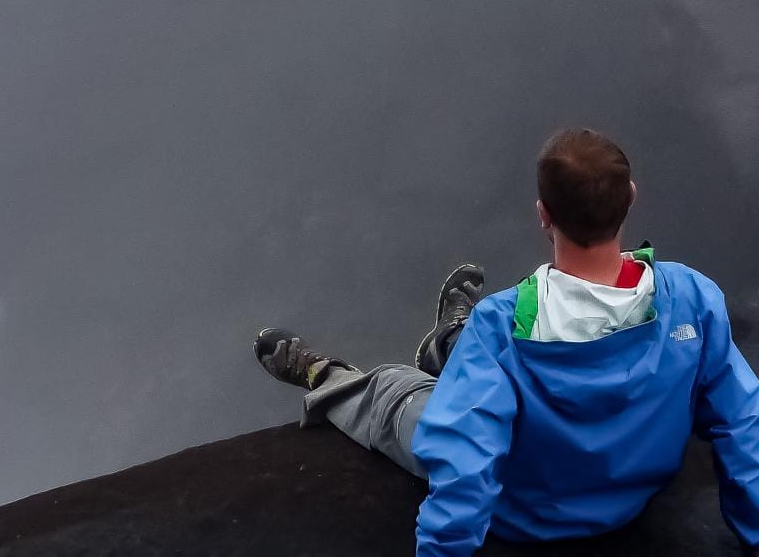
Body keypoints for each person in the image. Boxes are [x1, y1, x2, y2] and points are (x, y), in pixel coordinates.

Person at [254, 129, 759, 556]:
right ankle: (449, 342)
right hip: (633, 499)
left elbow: (464, 464)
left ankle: (328, 377)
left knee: (395, 391)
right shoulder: (692, 297)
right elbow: (743, 421)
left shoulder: (501, 325)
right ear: (631, 195)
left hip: (526, 517)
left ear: (543, 214)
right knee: (480, 365)